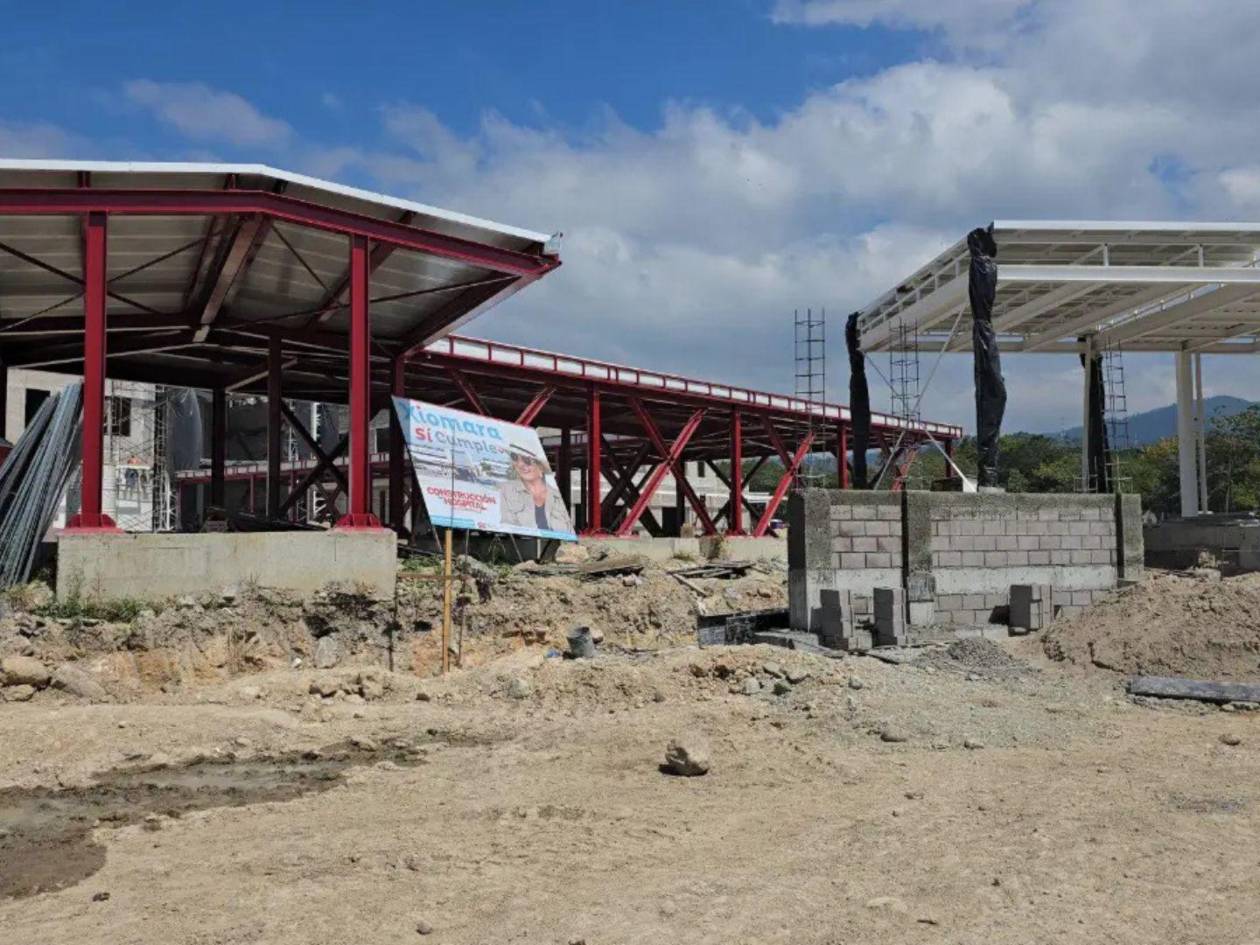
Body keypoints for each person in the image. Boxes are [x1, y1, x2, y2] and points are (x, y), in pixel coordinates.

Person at [498, 439, 574, 534]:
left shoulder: (556, 496)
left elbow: (567, 532)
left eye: (527, 460)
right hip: (523, 545)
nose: (520, 464)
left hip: (553, 546)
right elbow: (506, 525)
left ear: (541, 466)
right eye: (514, 457)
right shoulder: (507, 490)